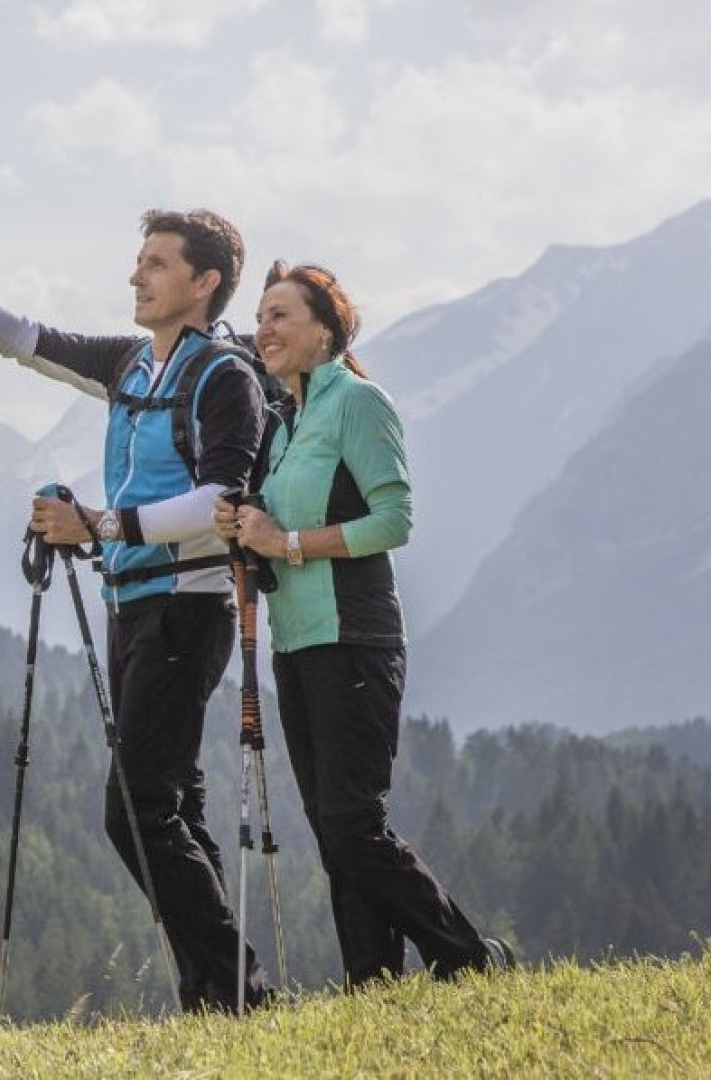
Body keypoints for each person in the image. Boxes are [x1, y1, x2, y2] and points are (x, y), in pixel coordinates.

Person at [0, 209, 271, 1013]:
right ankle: (218, 996)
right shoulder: (130, 365)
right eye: (138, 260)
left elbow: (224, 497)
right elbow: (26, 338)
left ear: (205, 282)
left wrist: (102, 527)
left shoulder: (226, 378)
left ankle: (240, 985)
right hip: (132, 602)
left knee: (134, 812)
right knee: (173, 804)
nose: (135, 276)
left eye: (155, 262)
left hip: (189, 605)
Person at [214, 261, 514, 988]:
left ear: (327, 330)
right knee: (334, 830)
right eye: (261, 316)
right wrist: (245, 527)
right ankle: (372, 982)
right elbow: (277, 523)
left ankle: (471, 957)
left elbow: (394, 520)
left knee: (354, 823)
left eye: (282, 315)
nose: (265, 329)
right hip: (297, 641)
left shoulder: (358, 402)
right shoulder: (284, 421)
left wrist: (283, 542)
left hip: (356, 639)